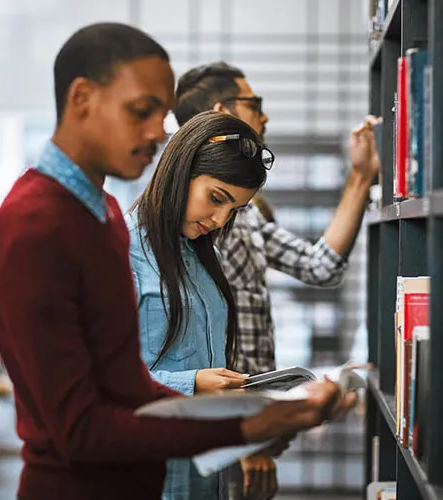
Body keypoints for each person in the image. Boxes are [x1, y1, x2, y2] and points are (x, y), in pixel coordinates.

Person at [0, 23, 355, 500]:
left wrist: (256, 416)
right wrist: (247, 425)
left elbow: (127, 390)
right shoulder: (34, 229)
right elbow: (82, 430)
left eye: (161, 115)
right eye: (142, 112)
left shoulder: (101, 214)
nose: (159, 133)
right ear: (82, 98)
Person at [174, 62, 381, 497]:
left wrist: (361, 176)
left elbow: (320, 266)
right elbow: (190, 351)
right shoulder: (192, 219)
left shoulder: (240, 214)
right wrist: (240, 440)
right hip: (225, 438)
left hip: (252, 433)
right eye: (255, 105)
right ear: (221, 112)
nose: (265, 117)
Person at [128, 110, 276, 500]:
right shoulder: (121, 252)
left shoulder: (201, 257)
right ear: (181, 170)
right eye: (216, 198)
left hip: (204, 468)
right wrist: (192, 384)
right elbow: (101, 382)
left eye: (234, 210)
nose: (220, 218)